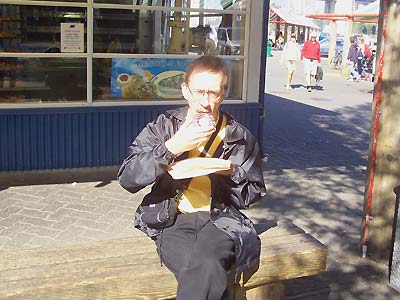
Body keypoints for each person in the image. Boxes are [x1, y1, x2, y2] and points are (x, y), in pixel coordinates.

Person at [118, 55, 266, 300]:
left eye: (213, 93)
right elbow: (128, 177)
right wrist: (172, 147)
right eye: (199, 92)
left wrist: (230, 171)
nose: (206, 101)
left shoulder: (238, 136)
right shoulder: (164, 127)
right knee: (205, 271)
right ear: (185, 90)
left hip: (219, 220)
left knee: (206, 265)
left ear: (223, 94)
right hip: (171, 218)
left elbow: (252, 193)